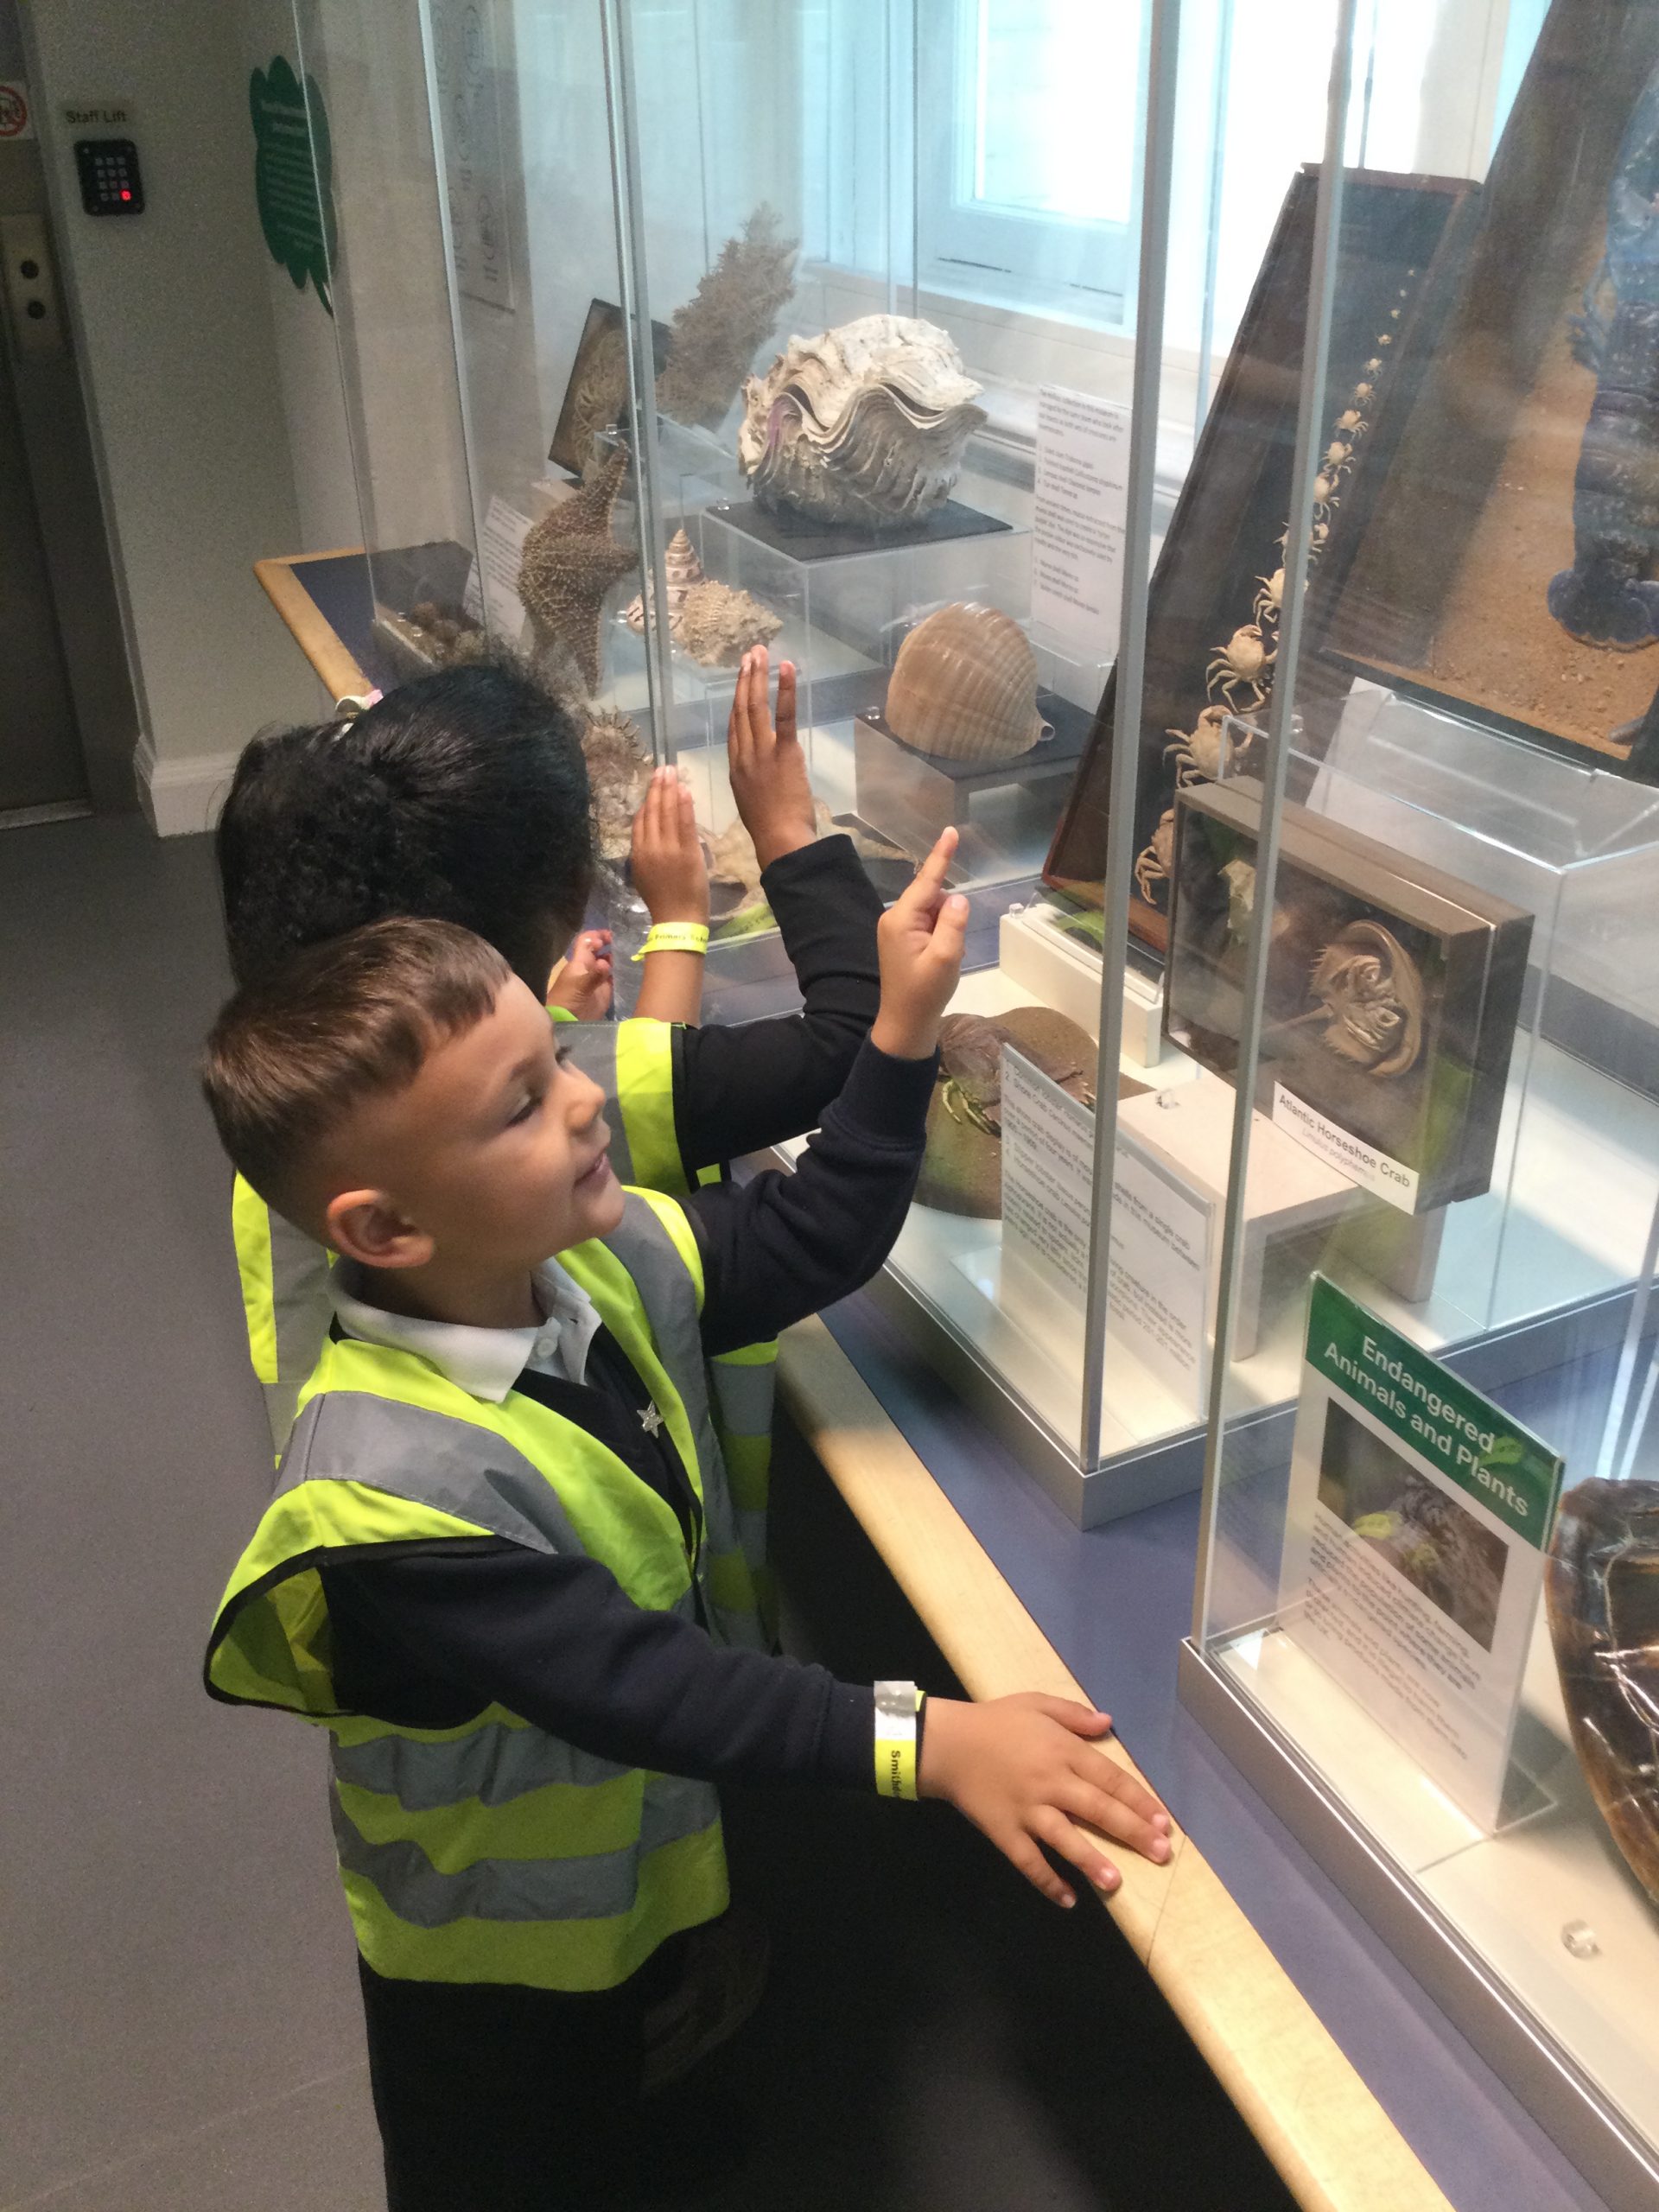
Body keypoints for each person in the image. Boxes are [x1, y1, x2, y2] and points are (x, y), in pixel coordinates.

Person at [200, 845, 1173, 2212]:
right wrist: (935, 1742)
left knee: (630, 2090)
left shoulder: (580, 1262)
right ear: (388, 1227)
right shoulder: (386, 1502)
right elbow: (652, 1687)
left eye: (559, 1058)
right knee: (509, 2163)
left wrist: (900, 1036)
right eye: (524, 1104)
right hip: (489, 1963)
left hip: (627, 1875)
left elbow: (810, 1236)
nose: (586, 1100)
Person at [216, 647, 874, 1482]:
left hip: (352, 1454)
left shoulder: (315, 1104)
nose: (577, 1093)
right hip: (586, 1497)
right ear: (573, 891)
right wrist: (785, 836)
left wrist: (560, 1015)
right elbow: (854, 1038)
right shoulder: (566, 1093)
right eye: (539, 1080)